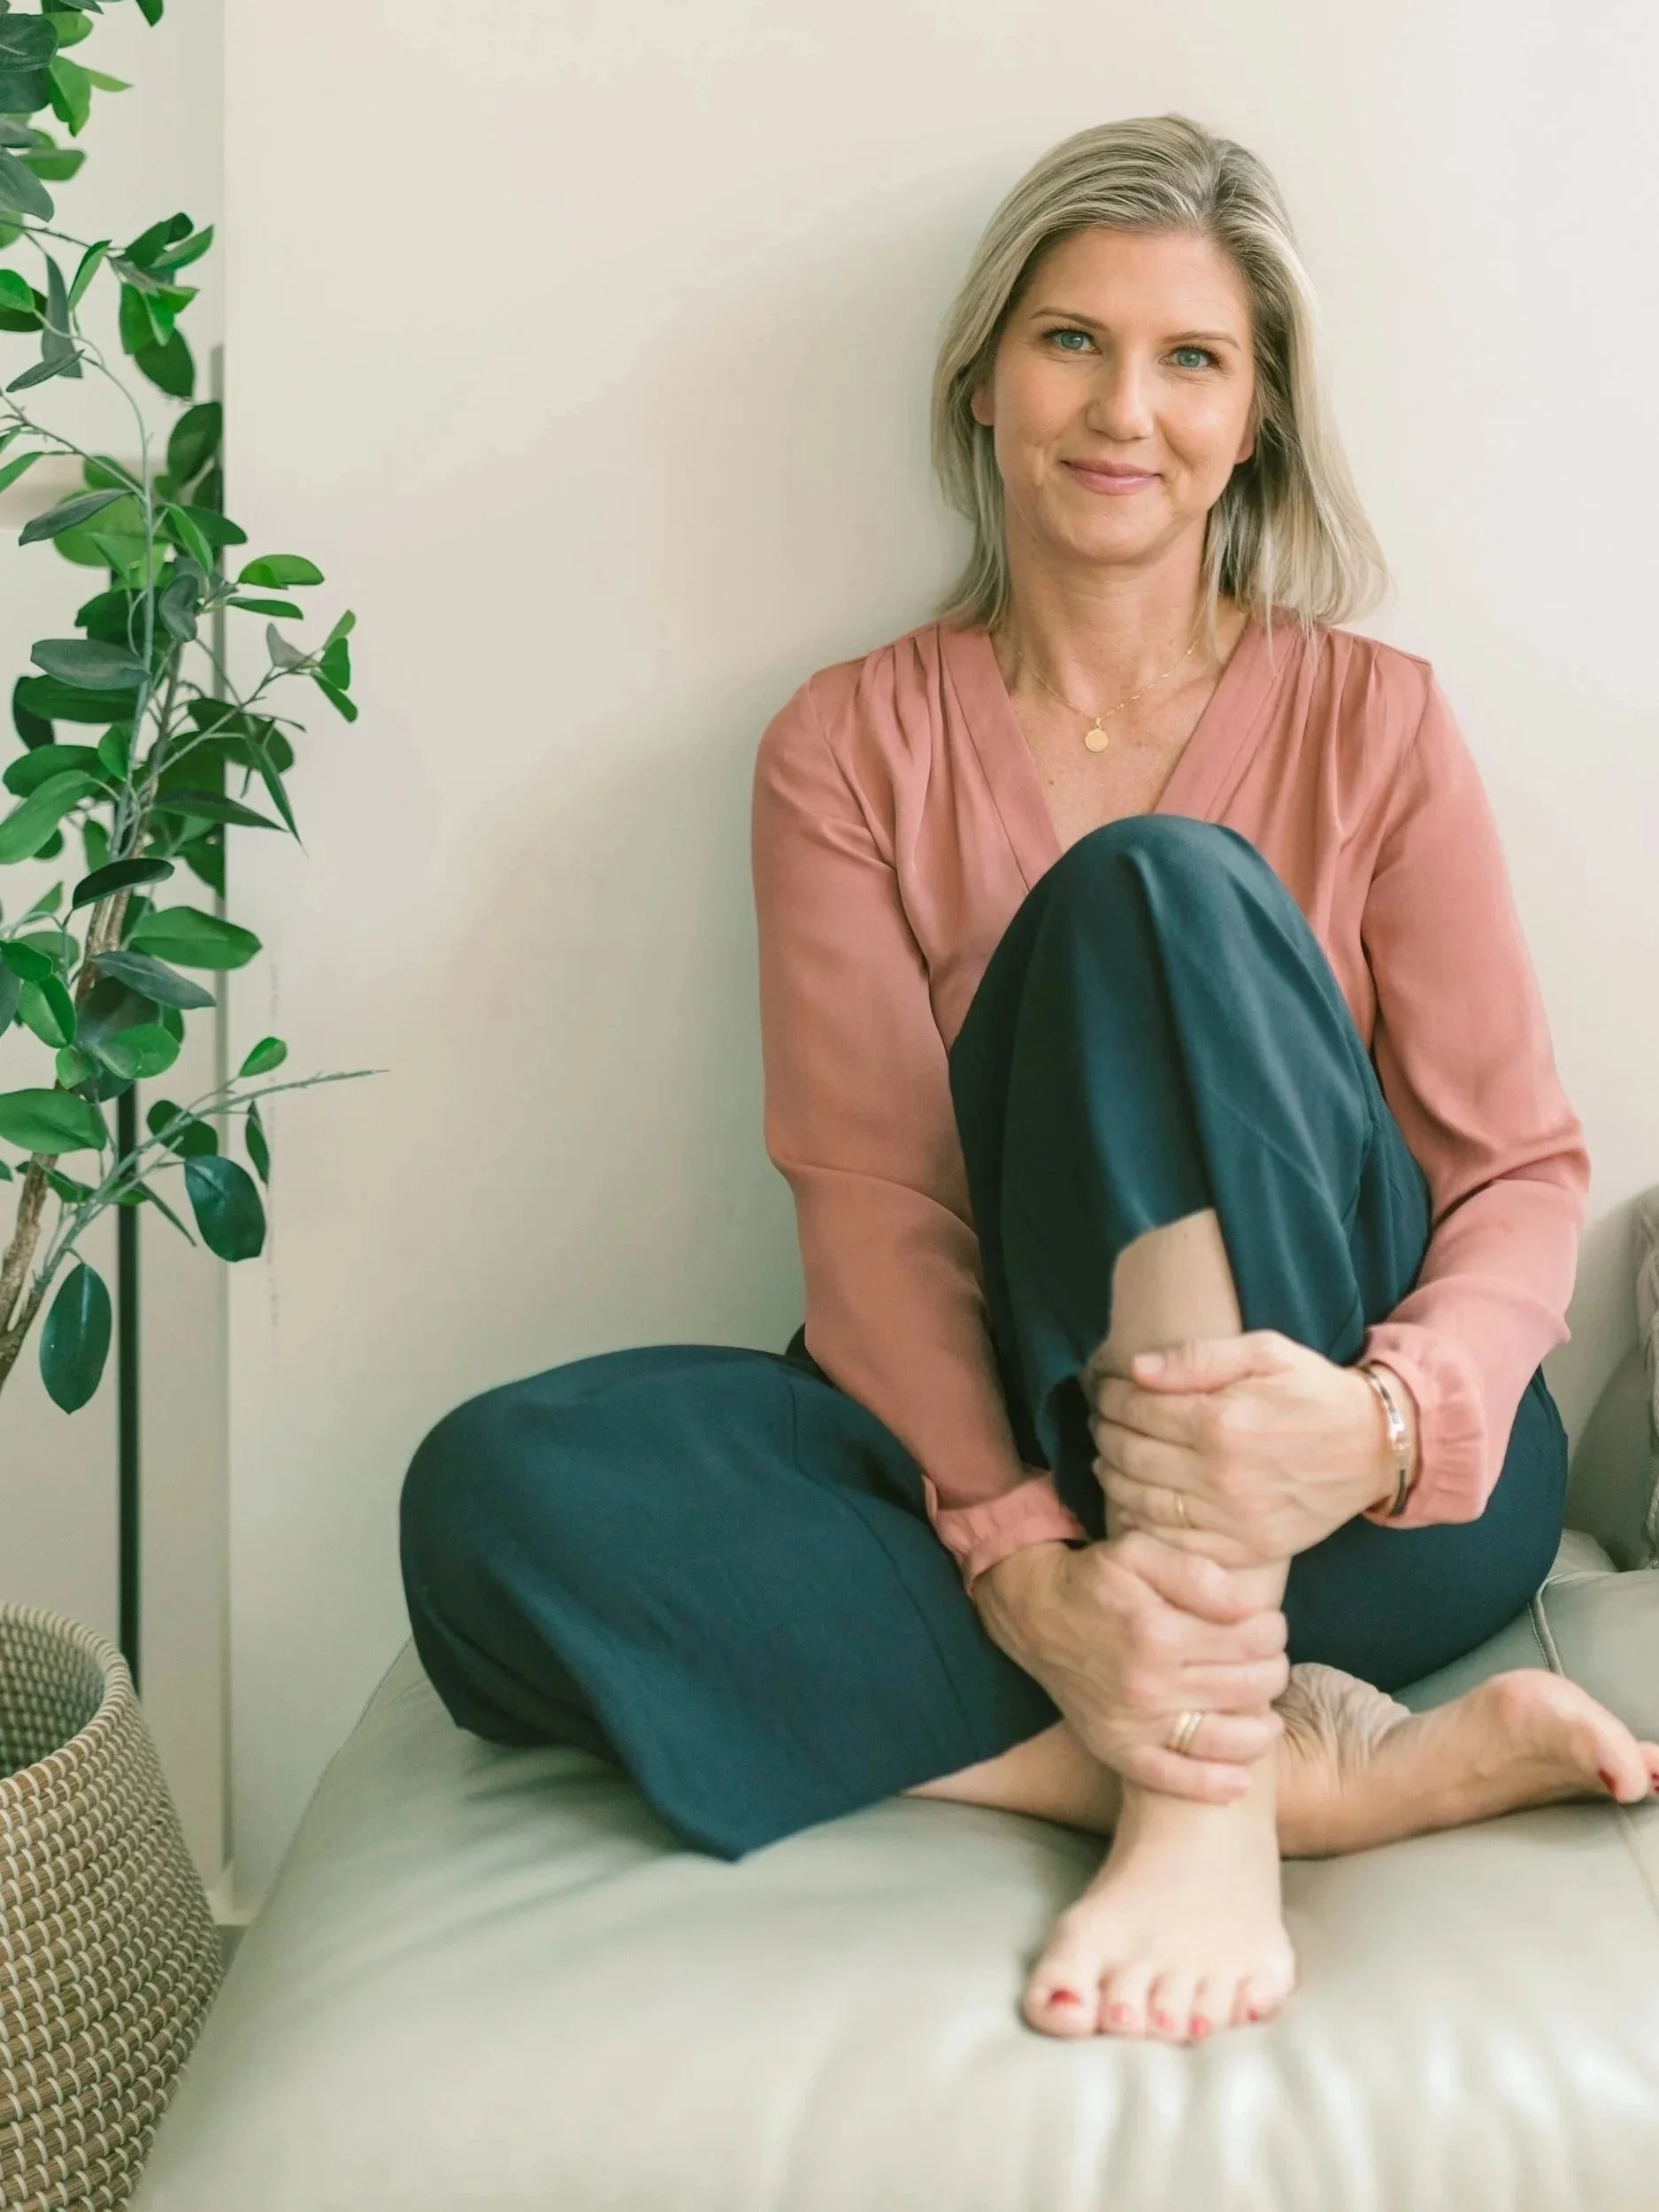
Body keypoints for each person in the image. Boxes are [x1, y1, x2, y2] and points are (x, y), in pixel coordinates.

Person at [400, 113, 1659, 2047]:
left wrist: (1385, 1425)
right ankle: (1251, 1762)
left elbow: (1517, 1173)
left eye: (1190, 360)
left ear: (1255, 422)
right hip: (1015, 1465)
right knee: (487, 1502)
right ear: (983, 380)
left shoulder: (1375, 719)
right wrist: (1021, 1563)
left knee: (1154, 892)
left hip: (1357, 1503)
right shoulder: (842, 744)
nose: (1120, 409)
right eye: (1070, 341)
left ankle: (1183, 1787)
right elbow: (874, 1201)